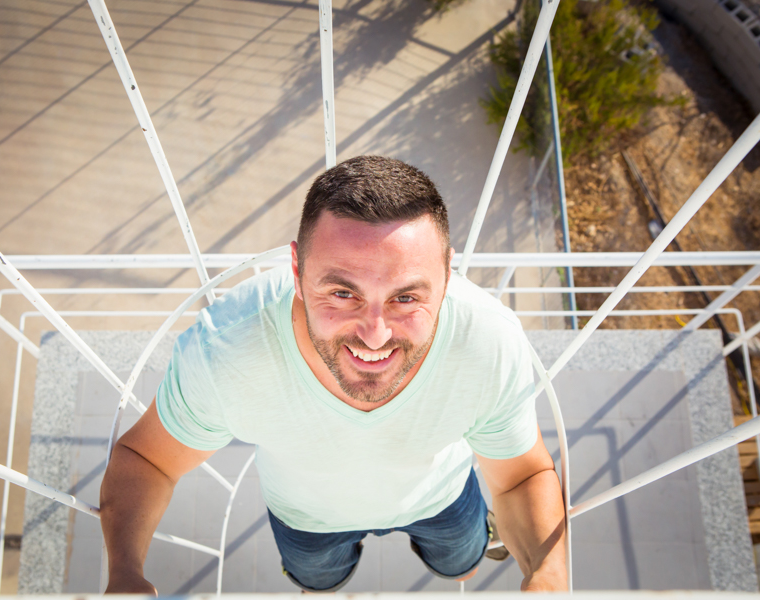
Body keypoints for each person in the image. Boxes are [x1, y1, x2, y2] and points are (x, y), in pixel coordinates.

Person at [100, 155, 567, 594]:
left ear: (447, 276)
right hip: (307, 521)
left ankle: (471, 549)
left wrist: (549, 574)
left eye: (406, 298)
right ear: (297, 269)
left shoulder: (486, 343)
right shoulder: (228, 350)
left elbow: (521, 477)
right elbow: (149, 460)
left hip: (439, 499)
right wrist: (124, 573)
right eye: (343, 293)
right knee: (321, 581)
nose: (374, 335)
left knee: (460, 562)